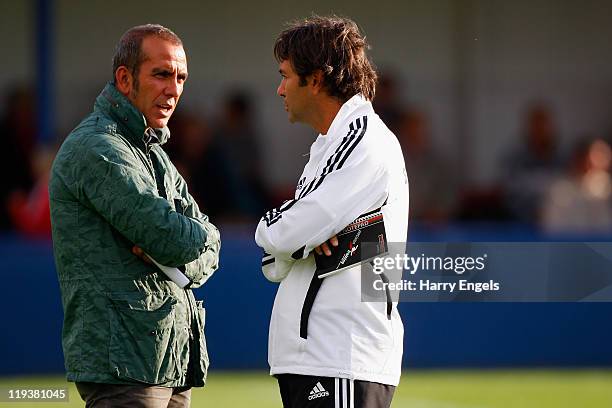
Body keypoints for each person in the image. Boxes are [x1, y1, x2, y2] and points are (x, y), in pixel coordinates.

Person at [49, 24, 221, 408]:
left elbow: (210, 244)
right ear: (125, 79)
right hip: (123, 365)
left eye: (180, 78)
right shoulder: (98, 147)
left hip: (167, 358)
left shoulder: (150, 149)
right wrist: (195, 240)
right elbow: (172, 238)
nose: (173, 89)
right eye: (161, 74)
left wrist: (193, 249)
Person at [255, 16, 409, 408]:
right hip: (319, 355)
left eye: (286, 75)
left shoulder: (363, 138)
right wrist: (300, 241)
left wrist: (285, 234)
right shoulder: (331, 143)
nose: (279, 88)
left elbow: (283, 235)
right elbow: (276, 259)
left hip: (341, 354)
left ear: (317, 79)